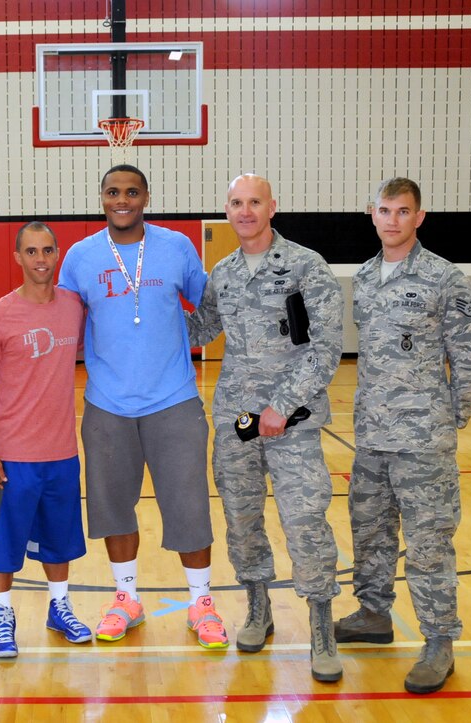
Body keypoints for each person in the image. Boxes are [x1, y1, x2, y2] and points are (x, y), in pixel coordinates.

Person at [58, 165, 228, 649]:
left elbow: (210, 307)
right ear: (102, 197)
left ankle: (201, 604)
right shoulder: (80, 257)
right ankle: (126, 598)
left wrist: (182, 341)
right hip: (107, 404)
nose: (122, 200)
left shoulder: (176, 246)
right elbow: (59, 317)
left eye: (132, 191)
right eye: (113, 191)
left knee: (188, 505)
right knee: (113, 509)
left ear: (146, 197)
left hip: (174, 400)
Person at [185, 173, 345, 681]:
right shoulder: (223, 272)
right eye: (236, 202)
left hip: (290, 421)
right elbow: (203, 329)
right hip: (237, 421)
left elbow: (326, 348)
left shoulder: (305, 266)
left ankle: (322, 628)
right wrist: (137, 309)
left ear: (272, 206)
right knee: (242, 520)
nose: (245, 211)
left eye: (254, 202)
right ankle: (258, 610)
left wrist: (282, 404)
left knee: (304, 520)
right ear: (227, 210)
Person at [335, 177, 471, 694]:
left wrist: (453, 415)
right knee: (371, 532)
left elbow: (469, 353)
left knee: (428, 545)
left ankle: (439, 641)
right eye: (384, 210)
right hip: (373, 436)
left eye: (403, 211)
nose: (393, 220)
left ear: (419, 217)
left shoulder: (445, 278)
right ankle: (373, 615)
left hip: (423, 439)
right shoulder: (366, 275)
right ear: (371, 214)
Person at [0, 222, 92, 658]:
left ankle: (59, 607)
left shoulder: (75, 306)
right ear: (17, 258)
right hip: (12, 456)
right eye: (31, 251)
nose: (40, 259)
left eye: (48, 251)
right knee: (3, 543)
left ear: (58, 255)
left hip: (61, 452)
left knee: (61, 538)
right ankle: (3, 615)